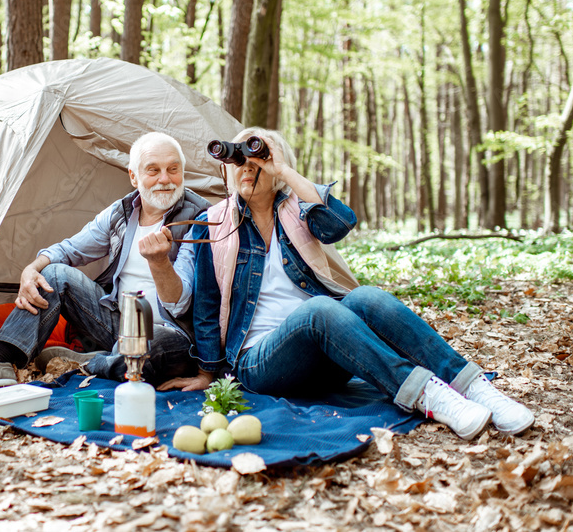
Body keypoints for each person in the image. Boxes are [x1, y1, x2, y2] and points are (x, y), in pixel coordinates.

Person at [148, 127, 533, 440]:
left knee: (367, 297)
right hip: (258, 361)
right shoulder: (213, 224)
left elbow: (341, 222)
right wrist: (207, 372)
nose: (246, 168)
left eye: (257, 160)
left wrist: (282, 170)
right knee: (320, 309)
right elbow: (207, 307)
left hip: (328, 350)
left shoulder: (298, 210)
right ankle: (430, 397)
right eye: (239, 162)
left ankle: (475, 387)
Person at [0, 132, 209, 393]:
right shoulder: (122, 212)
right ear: (134, 177)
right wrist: (31, 269)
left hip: (169, 334)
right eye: (153, 170)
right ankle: (1, 361)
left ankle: (86, 362)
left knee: (149, 347)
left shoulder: (199, 219)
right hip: (116, 324)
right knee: (53, 273)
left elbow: (180, 304)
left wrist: (159, 263)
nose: (165, 179)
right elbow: (69, 249)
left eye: (174, 169)